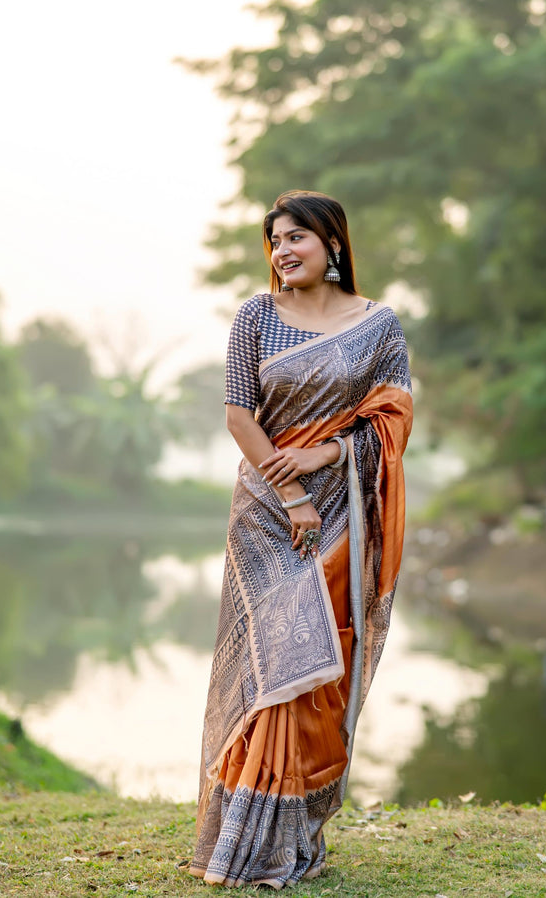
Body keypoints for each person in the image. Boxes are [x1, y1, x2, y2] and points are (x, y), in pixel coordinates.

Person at [188, 190, 413, 888]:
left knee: (318, 662)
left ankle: (294, 834)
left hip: (343, 507)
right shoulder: (257, 315)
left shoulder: (379, 326)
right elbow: (237, 414)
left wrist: (326, 456)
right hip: (264, 510)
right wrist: (289, 489)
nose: (283, 252)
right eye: (275, 241)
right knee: (272, 664)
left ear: (334, 244)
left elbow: (394, 417)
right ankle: (247, 842)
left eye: (297, 239)